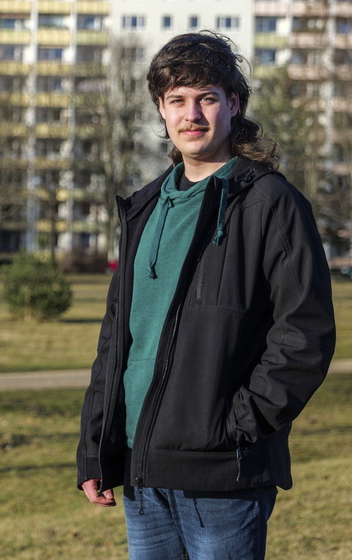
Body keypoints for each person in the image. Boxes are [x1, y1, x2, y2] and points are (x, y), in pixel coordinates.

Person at [76, 31, 336, 559]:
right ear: (161, 109)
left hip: (222, 474)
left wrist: (238, 426)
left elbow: (305, 333)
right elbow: (117, 341)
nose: (191, 114)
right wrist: (95, 451)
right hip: (142, 471)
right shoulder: (145, 209)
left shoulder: (269, 203)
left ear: (233, 104)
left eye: (206, 97)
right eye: (177, 100)